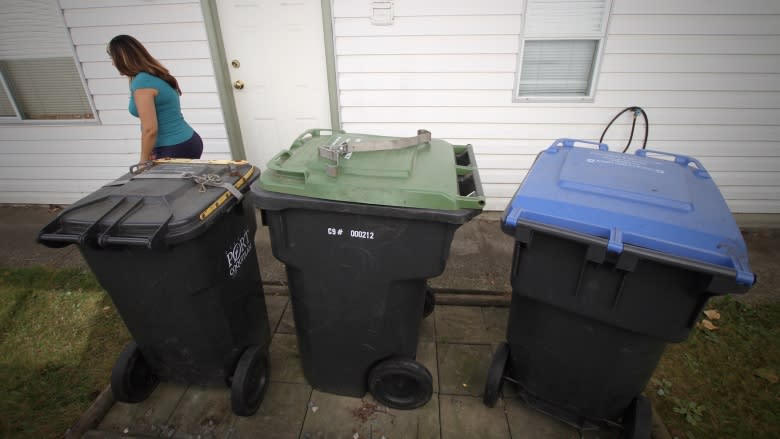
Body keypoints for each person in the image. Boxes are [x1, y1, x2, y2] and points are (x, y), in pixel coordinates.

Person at [107, 35, 203, 163]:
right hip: (185, 140)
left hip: (174, 147)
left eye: (112, 58)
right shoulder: (153, 74)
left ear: (123, 58)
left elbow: (150, 129)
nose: (112, 63)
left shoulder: (142, 82)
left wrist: (143, 161)